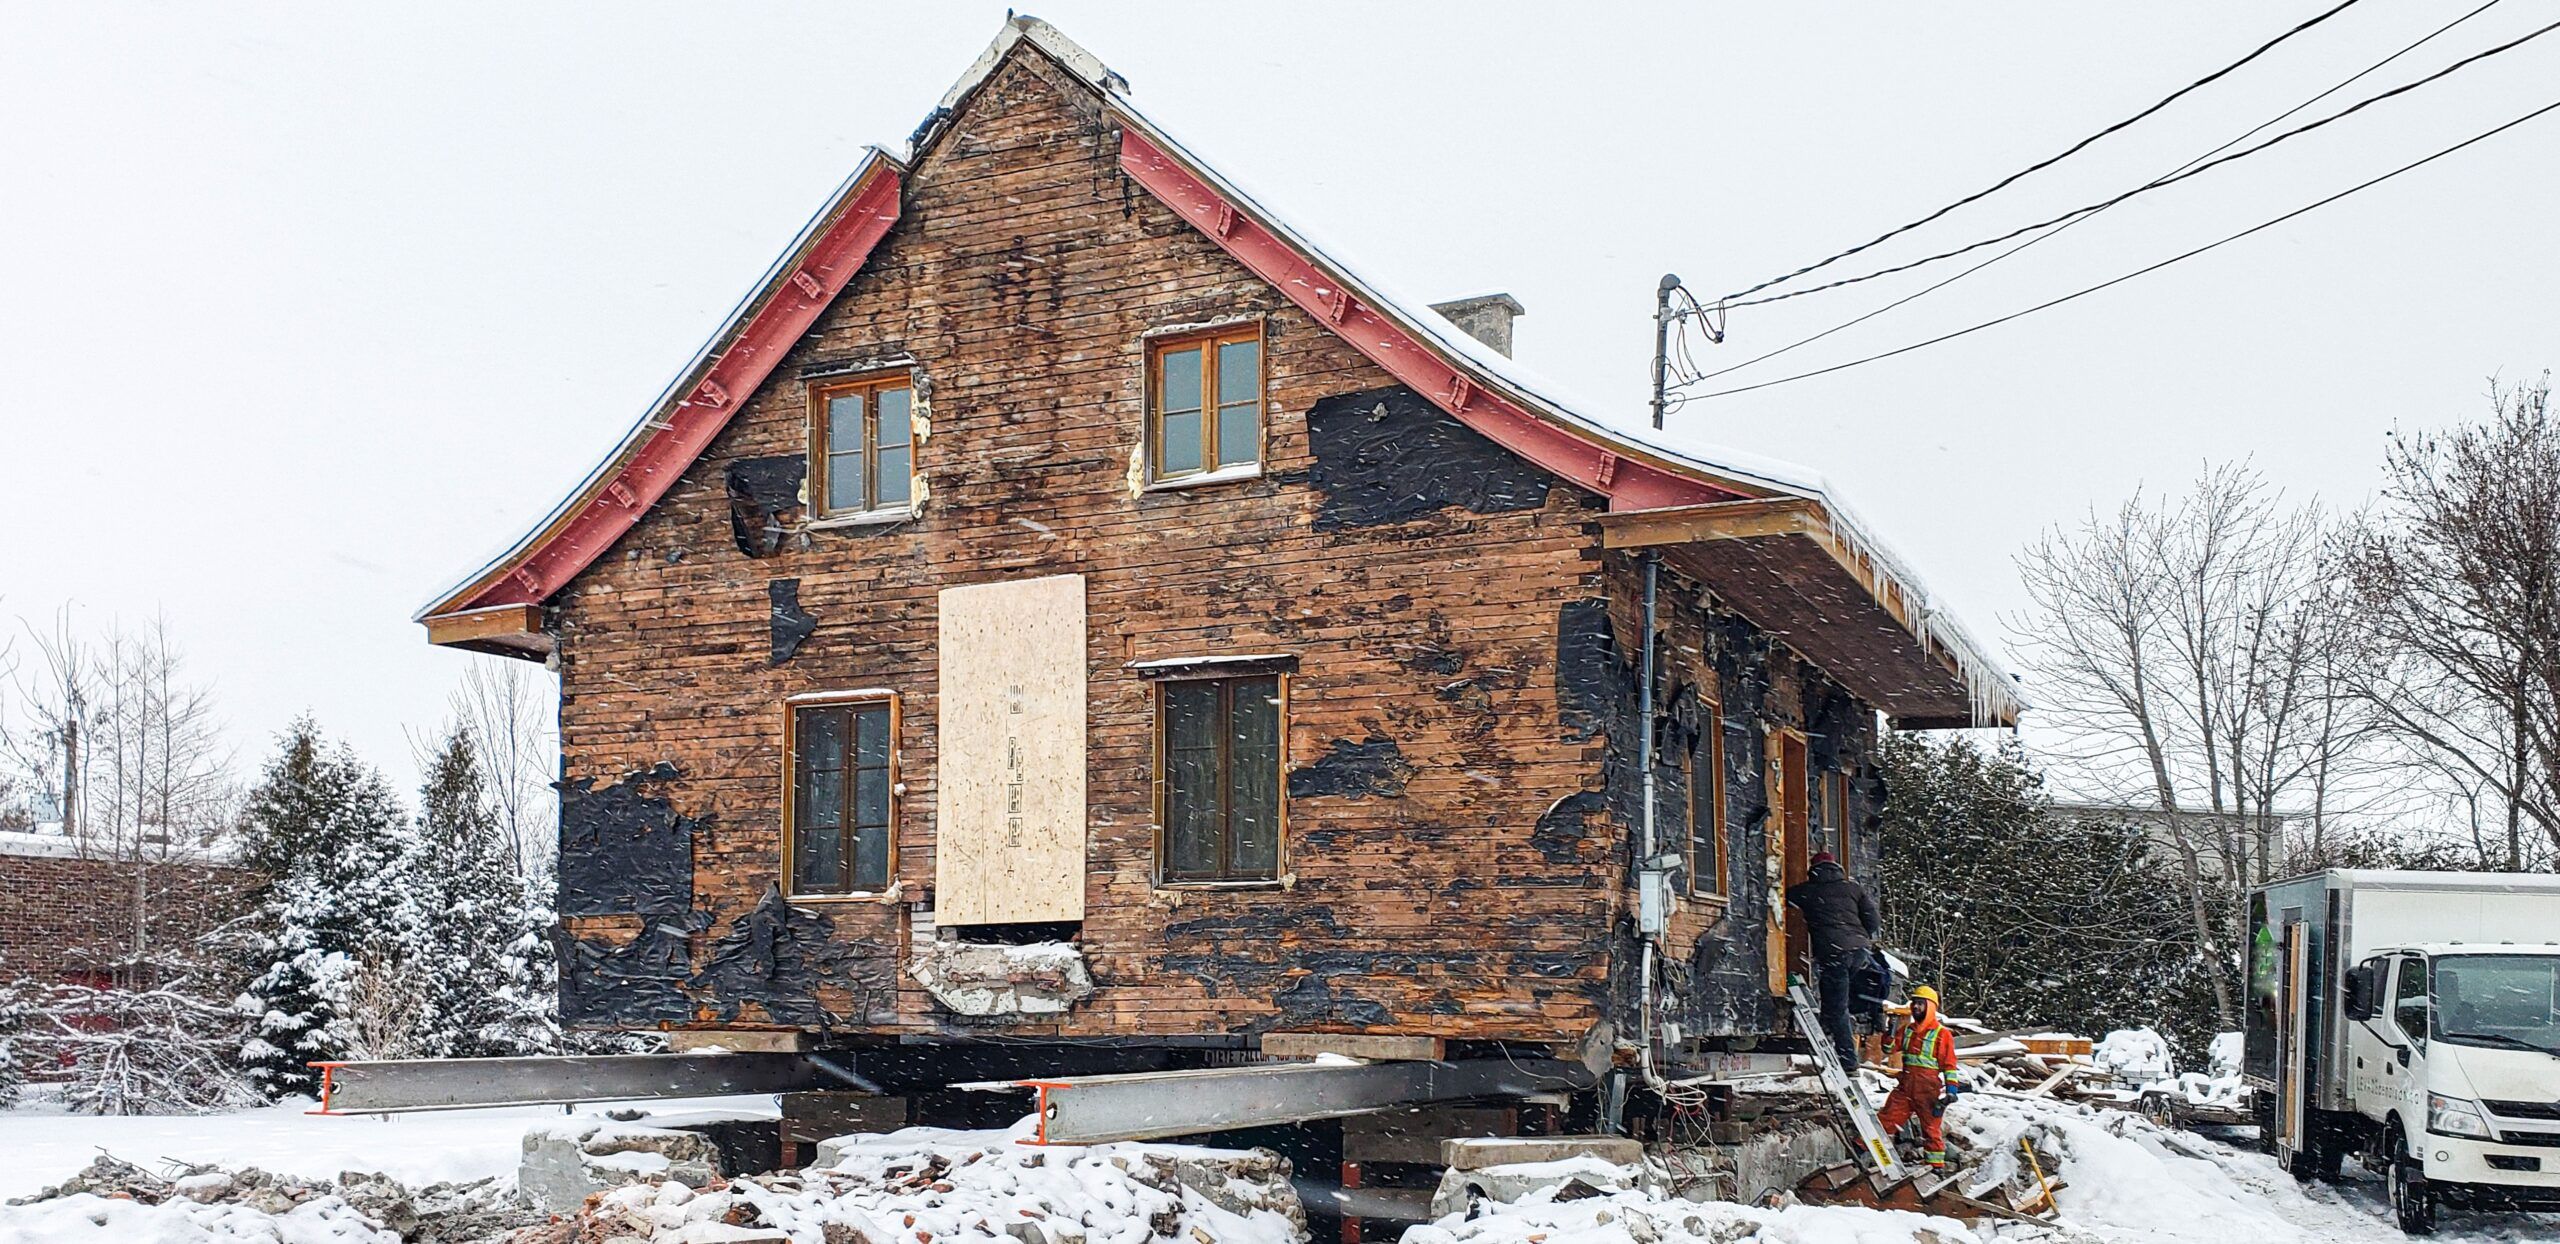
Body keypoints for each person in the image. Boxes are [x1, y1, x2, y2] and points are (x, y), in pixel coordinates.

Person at [1784, 850, 1880, 1068]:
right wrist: (1857, 937)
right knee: (1835, 998)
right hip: (1859, 951)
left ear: (1813, 870)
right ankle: (1827, 1030)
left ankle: (1848, 1061)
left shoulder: (1808, 891)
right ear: (1837, 868)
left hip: (1834, 952)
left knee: (1838, 1006)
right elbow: (1873, 922)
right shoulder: (1853, 889)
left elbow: (1782, 896)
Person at [1878, 984, 1960, 1169]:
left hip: (1928, 1090)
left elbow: (1949, 1065)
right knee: (1886, 1120)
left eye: (1920, 1004)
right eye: (1914, 1003)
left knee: (1931, 1130)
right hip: (1906, 1087)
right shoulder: (1907, 1030)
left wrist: (1952, 1090)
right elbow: (1889, 1049)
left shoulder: (1942, 1034)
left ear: (1930, 1007)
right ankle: (1862, 1152)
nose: (1916, 1007)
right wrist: (1889, 1032)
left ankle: (1935, 1167)